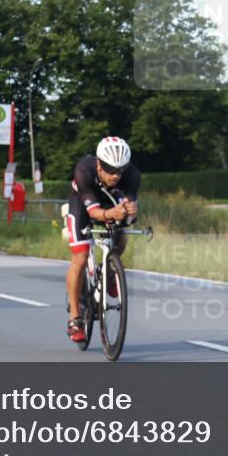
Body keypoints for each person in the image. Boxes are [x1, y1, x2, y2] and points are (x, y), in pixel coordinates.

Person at [64, 136, 140, 343]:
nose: (116, 175)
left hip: (110, 203)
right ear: (99, 164)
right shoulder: (84, 170)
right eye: (110, 170)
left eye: (120, 170)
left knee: (122, 232)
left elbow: (130, 211)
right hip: (83, 204)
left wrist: (130, 211)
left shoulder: (131, 174)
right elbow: (95, 213)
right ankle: (75, 318)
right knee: (80, 256)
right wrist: (111, 215)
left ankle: (108, 272)